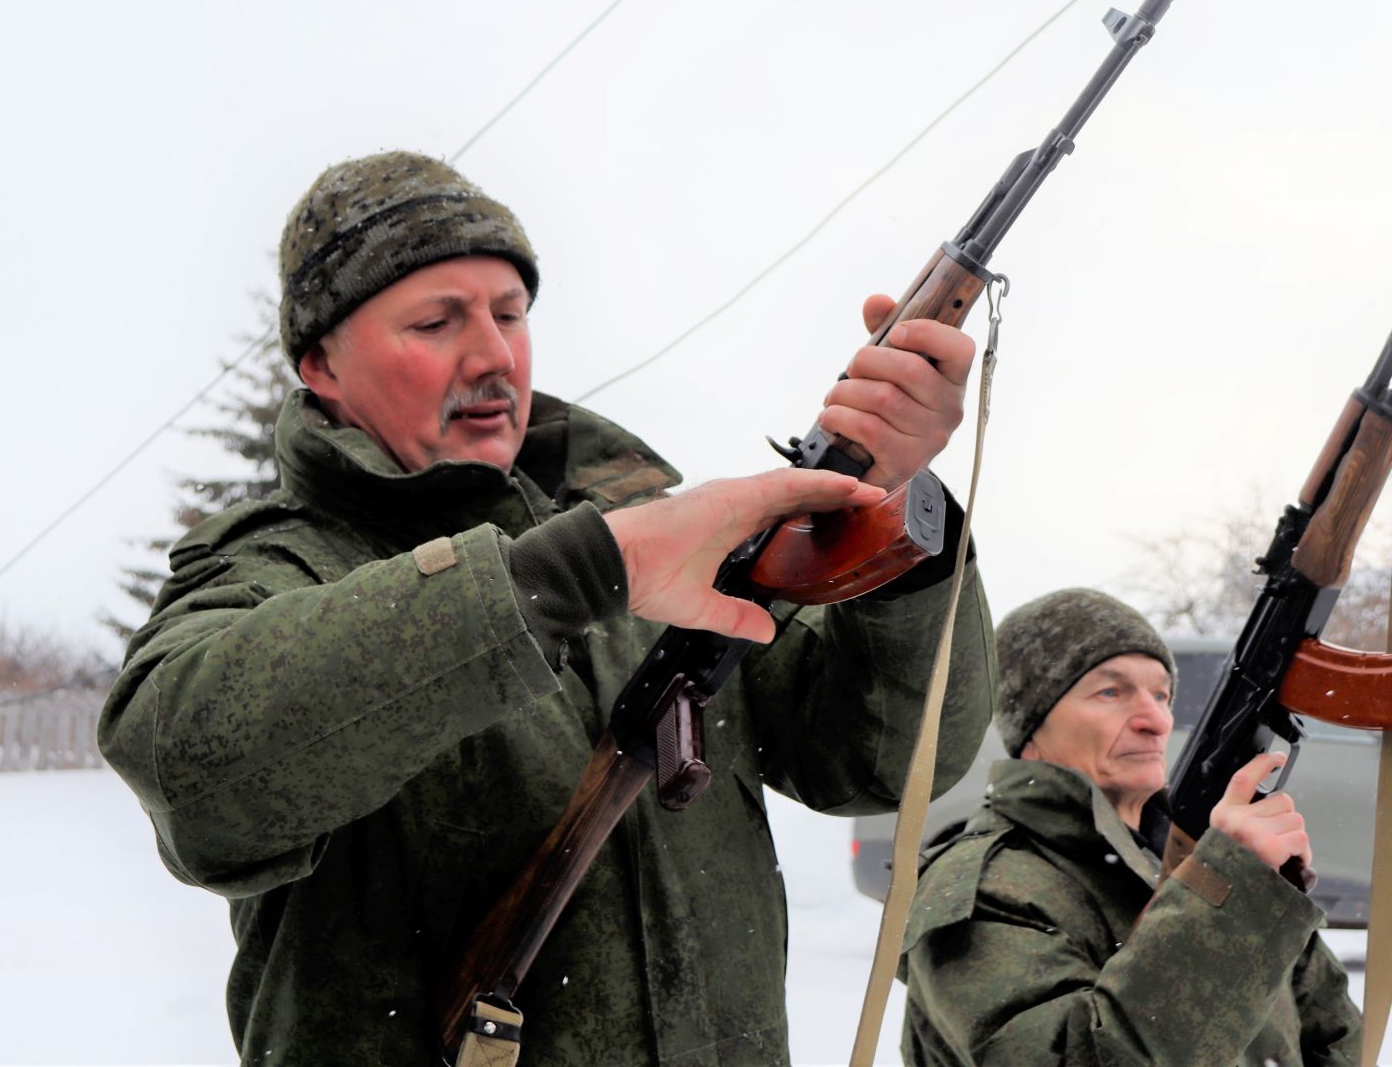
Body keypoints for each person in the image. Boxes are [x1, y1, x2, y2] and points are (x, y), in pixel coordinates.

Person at [98, 150, 994, 1065]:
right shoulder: (282, 561)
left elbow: (882, 758)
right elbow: (190, 774)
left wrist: (891, 518)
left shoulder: (652, 529)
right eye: (436, 321)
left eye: (510, 314)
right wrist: (568, 578)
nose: (492, 355)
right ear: (321, 363)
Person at [899, 588, 1361, 1067]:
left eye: (1161, 694)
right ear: (1030, 728)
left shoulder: (1191, 856)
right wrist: (1227, 888)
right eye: (1111, 692)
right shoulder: (985, 890)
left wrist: (1251, 886)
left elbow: (1333, 1034)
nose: (1157, 720)